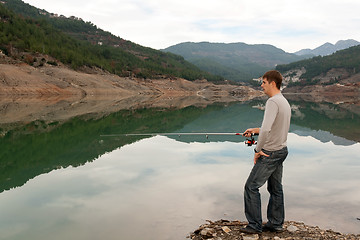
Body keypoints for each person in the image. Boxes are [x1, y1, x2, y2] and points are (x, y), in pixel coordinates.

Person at [240, 70, 291, 234]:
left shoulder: (272, 102)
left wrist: (257, 150)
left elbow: (267, 130)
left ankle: (254, 225)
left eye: (263, 82)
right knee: (276, 188)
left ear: (273, 83)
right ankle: (276, 224)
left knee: (251, 187)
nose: (261, 85)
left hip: (270, 153)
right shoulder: (283, 101)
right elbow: (272, 128)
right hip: (281, 150)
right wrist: (254, 130)